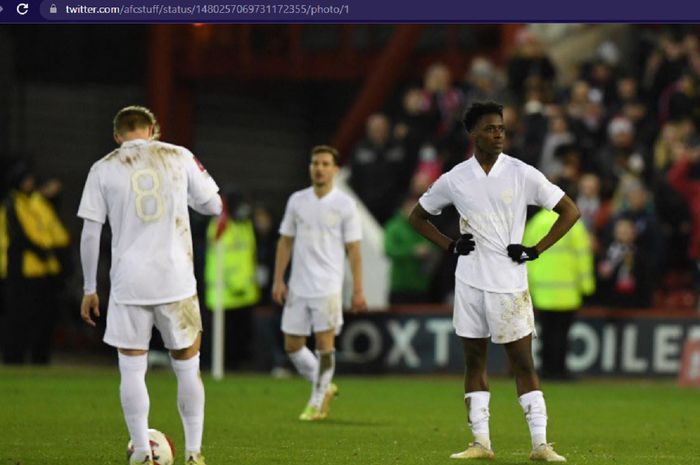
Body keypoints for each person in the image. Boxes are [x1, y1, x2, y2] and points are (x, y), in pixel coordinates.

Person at [409, 102, 579, 461]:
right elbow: (418, 217)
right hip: (469, 282)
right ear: (472, 135)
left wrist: (536, 249)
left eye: (501, 128)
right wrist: (451, 245)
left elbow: (570, 211)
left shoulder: (521, 173)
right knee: (474, 363)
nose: (498, 134)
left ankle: (540, 444)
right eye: (490, 129)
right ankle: (481, 443)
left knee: (523, 364)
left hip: (509, 283)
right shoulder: (455, 178)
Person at [78, 106, 221, 465]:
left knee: (131, 369)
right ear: (153, 129)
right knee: (188, 366)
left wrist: (89, 287)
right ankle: (193, 453)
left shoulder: (103, 168)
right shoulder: (179, 156)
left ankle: (142, 452)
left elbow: (91, 233)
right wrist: (186, 198)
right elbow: (215, 205)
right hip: (175, 280)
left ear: (117, 135)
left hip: (129, 283)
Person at [272, 145, 367, 421]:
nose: (320, 168)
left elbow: (354, 250)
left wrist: (358, 289)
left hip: (327, 286)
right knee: (292, 344)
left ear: (335, 170)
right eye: (315, 163)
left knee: (324, 345)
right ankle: (324, 384)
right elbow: (285, 240)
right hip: (298, 285)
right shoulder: (297, 201)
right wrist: (279, 279)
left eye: (326, 164)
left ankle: (317, 400)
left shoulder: (345, 205)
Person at [0, 160, 70, 365]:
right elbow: (19, 235)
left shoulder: (33, 202)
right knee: (16, 317)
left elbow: (54, 233)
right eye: (26, 180)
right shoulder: (12, 204)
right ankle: (14, 358)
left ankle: (35, 358)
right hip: (19, 270)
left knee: (39, 317)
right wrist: (43, 251)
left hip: (39, 271)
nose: (30, 183)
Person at [523, 206, 595, 380]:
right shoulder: (574, 224)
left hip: (542, 290)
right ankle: (560, 370)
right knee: (562, 334)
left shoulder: (536, 223)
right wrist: (587, 287)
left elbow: (525, 255)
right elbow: (582, 256)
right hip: (567, 291)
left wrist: (527, 286)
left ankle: (546, 369)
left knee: (546, 333)